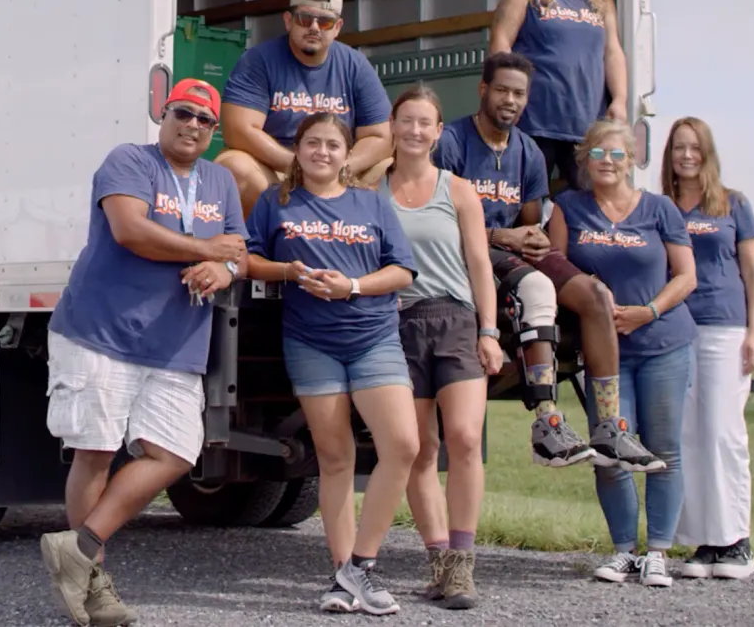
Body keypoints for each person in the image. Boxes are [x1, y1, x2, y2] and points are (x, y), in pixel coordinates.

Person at [39, 78, 249, 627]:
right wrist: (209, 249)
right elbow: (131, 230)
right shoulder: (129, 161)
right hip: (99, 333)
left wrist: (223, 267)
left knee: (177, 452)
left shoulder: (221, 180)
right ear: (164, 112)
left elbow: (239, 251)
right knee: (97, 452)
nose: (194, 126)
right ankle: (95, 589)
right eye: (184, 113)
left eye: (206, 120)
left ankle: (78, 549)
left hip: (176, 344)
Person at [433, 51, 662, 472]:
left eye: (519, 93)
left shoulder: (529, 152)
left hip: (510, 251)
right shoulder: (451, 143)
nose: (510, 100)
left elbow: (527, 223)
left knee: (594, 294)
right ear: (483, 90)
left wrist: (535, 239)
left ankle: (609, 426)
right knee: (536, 288)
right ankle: (546, 424)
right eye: (502, 89)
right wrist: (502, 236)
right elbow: (434, 223)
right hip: (464, 253)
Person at [243, 111, 420, 616]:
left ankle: (361, 565)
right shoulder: (275, 203)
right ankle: (344, 575)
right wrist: (288, 271)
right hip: (310, 342)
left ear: (347, 156)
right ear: (296, 151)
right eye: (312, 143)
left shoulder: (371, 204)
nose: (322, 151)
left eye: (333, 145)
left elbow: (403, 270)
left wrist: (354, 287)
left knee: (403, 446)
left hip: (373, 338)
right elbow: (249, 260)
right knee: (335, 457)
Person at [547, 119, 696, 589]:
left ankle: (658, 553)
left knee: (663, 449)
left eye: (616, 155)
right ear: (584, 160)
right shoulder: (568, 207)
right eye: (597, 154)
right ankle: (622, 552)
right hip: (605, 354)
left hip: (663, 344)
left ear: (632, 161)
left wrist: (647, 312)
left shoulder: (660, 208)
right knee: (610, 448)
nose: (607, 162)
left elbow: (686, 276)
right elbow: (555, 266)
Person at [379, 84, 502, 610]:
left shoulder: (457, 190)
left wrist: (489, 330)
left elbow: (480, 265)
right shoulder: (372, 190)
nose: (414, 131)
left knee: (465, 438)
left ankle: (463, 563)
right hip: (397, 322)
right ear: (392, 125)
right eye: (406, 120)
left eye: (424, 122)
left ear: (438, 130)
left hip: (455, 318)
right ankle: (437, 562)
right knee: (419, 449)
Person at [663, 116, 754, 581]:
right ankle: (705, 543)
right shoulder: (663, 208)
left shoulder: (734, 204)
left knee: (723, 432)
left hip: (725, 327)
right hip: (679, 327)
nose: (686, 155)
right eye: (679, 147)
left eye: (694, 148)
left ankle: (736, 541)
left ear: (707, 153)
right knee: (688, 435)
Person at [218, 0, 394, 217]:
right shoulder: (258, 60)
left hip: (339, 170)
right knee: (234, 168)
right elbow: (238, 130)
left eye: (324, 22)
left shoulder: (356, 65)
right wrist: (297, 166)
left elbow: (381, 136)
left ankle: (367, 248)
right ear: (288, 21)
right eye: (304, 18)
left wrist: (341, 167)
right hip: (277, 170)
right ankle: (258, 246)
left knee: (392, 170)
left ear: (337, 27)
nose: (313, 27)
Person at [488, 0, 628, 193]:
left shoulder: (601, 1)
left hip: (586, 124)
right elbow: (500, 43)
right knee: (525, 196)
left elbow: (613, 51)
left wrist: (619, 100)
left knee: (591, 199)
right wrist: (507, 97)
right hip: (536, 119)